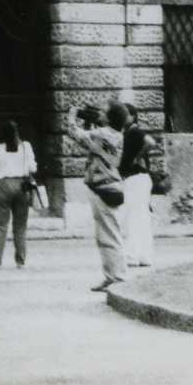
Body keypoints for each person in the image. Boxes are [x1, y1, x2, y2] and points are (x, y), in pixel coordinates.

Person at [74, 104, 125, 291]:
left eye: (104, 112)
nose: (100, 114)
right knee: (109, 234)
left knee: (108, 236)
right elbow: (93, 145)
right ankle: (113, 276)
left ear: (110, 119)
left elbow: (76, 135)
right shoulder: (115, 135)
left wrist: (73, 117)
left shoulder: (102, 134)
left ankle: (117, 277)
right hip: (111, 186)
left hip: (102, 188)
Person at [0, 120, 37, 269]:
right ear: (17, 132)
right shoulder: (26, 147)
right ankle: (20, 261)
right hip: (22, 186)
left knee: (0, 225)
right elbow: (33, 167)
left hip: (3, 186)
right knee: (20, 226)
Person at [114, 103, 154, 270]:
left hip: (135, 178)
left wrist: (136, 157)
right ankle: (143, 255)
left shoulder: (134, 131)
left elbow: (150, 142)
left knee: (131, 217)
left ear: (132, 116)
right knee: (140, 217)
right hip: (139, 179)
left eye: (125, 115)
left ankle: (132, 255)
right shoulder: (128, 132)